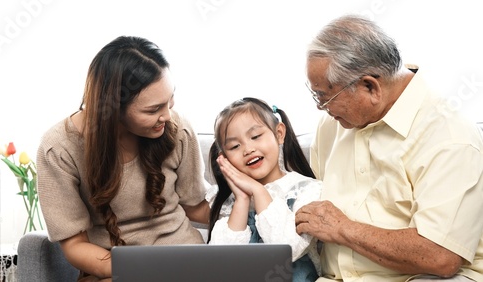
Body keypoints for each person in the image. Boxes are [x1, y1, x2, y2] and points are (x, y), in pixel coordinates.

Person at [294, 14, 483, 281]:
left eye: (325, 96)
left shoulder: (450, 135)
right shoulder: (332, 126)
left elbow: (440, 256)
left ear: (370, 86)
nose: (321, 107)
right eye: (316, 95)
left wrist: (343, 229)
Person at [36, 36, 210, 281]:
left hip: (185, 262)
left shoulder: (177, 129)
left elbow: (196, 206)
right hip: (114, 271)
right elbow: (75, 245)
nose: (168, 116)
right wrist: (140, 271)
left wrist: (255, 208)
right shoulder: (59, 148)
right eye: (153, 110)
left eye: (169, 101)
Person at [206, 97, 322, 281]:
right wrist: (242, 200)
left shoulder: (306, 190)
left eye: (255, 137)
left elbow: (287, 248)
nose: (248, 149)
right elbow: (221, 263)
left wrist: (259, 191)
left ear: (279, 133)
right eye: (235, 146)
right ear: (225, 158)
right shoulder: (232, 202)